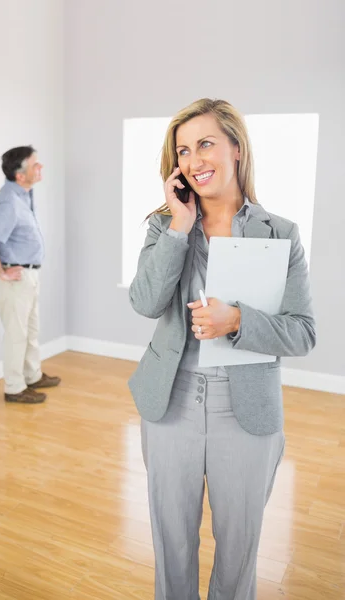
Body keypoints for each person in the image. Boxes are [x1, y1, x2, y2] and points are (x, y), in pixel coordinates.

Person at [128, 98, 316, 600]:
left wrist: (238, 321)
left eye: (205, 143)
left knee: (238, 550)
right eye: (183, 151)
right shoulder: (163, 226)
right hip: (171, 403)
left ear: (235, 147)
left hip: (246, 408)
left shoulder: (281, 233)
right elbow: (145, 302)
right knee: (171, 544)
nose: (194, 160)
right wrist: (180, 226)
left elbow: (302, 331)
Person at [0, 146, 60, 404]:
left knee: (31, 330)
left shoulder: (24, 194)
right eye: (35, 165)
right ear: (19, 175)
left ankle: (32, 375)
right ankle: (14, 388)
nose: (41, 168)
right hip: (15, 279)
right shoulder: (9, 201)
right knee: (16, 334)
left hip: (29, 275)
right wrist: (1, 272)